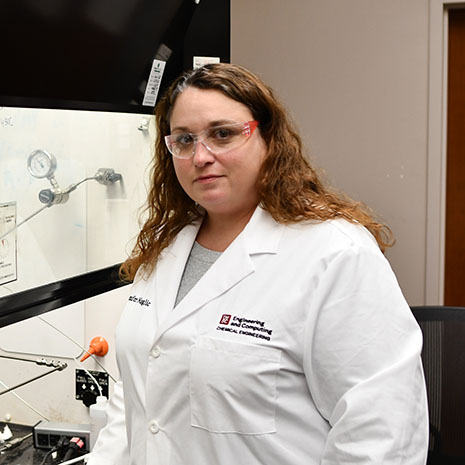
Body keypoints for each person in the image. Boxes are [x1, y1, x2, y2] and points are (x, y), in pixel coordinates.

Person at [87, 63, 428, 465]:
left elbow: (382, 433)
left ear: (268, 138)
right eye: (184, 140)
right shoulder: (165, 247)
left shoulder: (334, 252)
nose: (201, 156)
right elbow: (134, 396)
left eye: (223, 134)